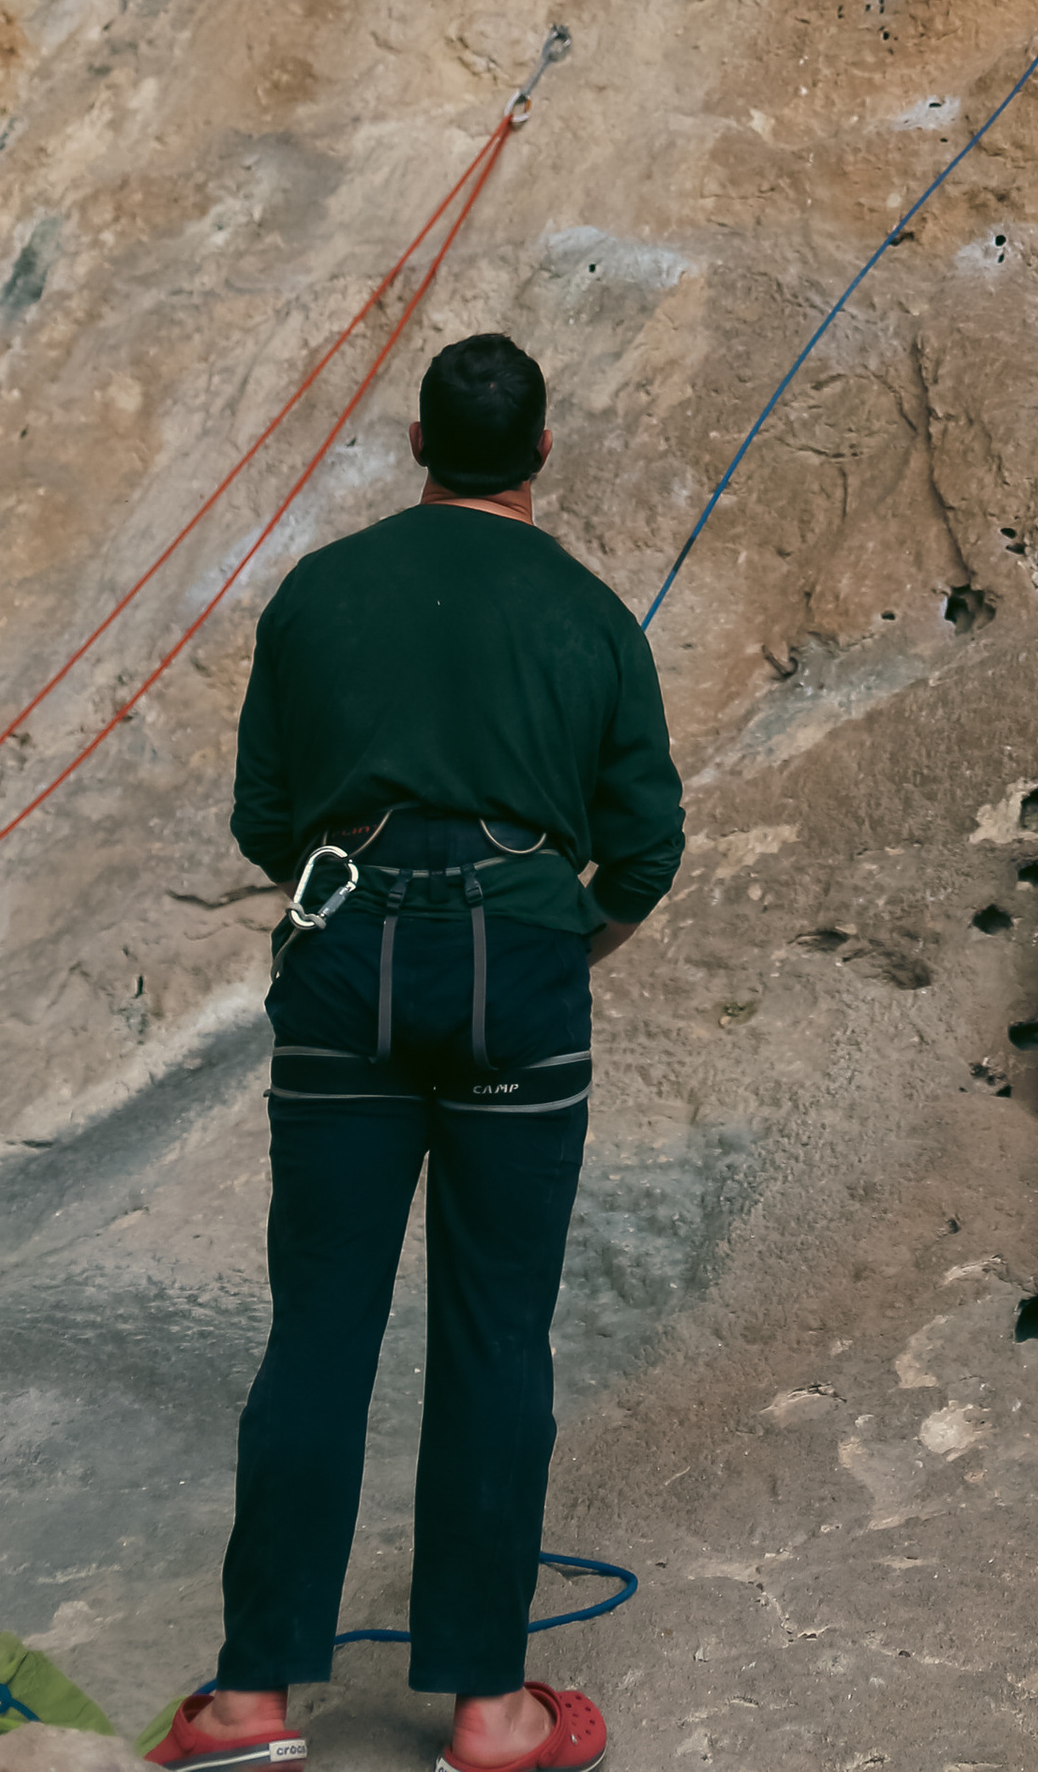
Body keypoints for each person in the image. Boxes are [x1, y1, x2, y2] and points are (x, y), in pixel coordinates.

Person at [150, 335, 685, 1772]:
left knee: (319, 1329)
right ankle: (491, 1713)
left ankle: (249, 1703)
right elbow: (646, 850)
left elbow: (270, 813)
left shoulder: (321, 593)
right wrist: (558, 942)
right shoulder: (588, 615)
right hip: (521, 967)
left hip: (345, 969)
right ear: (544, 452)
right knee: (495, 1336)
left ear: (415, 443)